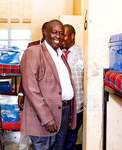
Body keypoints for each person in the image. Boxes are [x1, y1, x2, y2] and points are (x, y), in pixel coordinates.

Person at [20, 19, 77, 150]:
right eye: (54, 32)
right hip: (44, 116)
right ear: (45, 32)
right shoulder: (34, 52)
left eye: (61, 33)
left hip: (64, 112)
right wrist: (47, 119)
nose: (58, 36)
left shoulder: (60, 54)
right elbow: (31, 88)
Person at [18, 21, 48, 150]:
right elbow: (25, 73)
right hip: (31, 92)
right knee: (28, 121)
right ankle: (23, 147)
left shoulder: (58, 49)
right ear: (44, 32)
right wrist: (21, 93)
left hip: (48, 95)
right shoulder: (32, 46)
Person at [62, 24, 84, 150]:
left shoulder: (83, 53)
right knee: (60, 136)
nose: (60, 38)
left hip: (77, 104)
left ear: (72, 36)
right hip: (60, 105)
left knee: (71, 135)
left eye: (63, 35)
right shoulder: (58, 54)